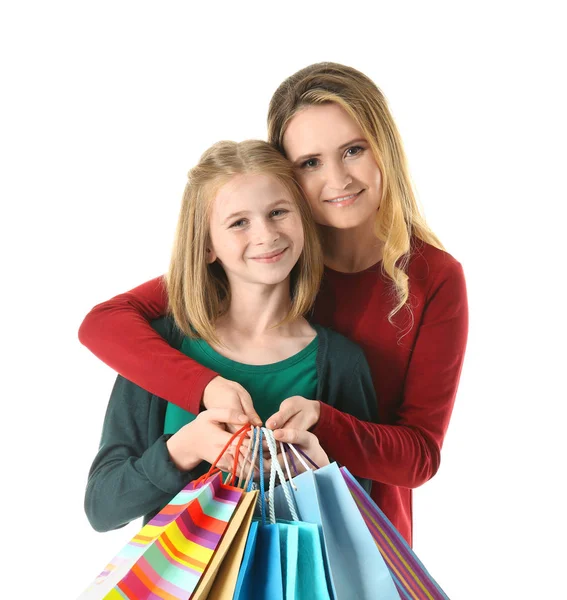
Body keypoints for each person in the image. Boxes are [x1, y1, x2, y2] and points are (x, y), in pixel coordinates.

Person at [80, 63, 468, 545]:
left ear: (384, 148)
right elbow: (106, 324)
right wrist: (205, 395)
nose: (338, 179)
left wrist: (323, 430)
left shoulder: (424, 284)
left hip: (347, 550)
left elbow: (418, 456)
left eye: (354, 150)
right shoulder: (258, 259)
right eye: (310, 162)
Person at [84, 139, 376, 532]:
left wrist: (318, 470)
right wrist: (184, 448)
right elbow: (102, 507)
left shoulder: (341, 362)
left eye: (278, 212)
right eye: (239, 222)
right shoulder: (160, 348)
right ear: (206, 246)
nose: (266, 235)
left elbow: (365, 530)